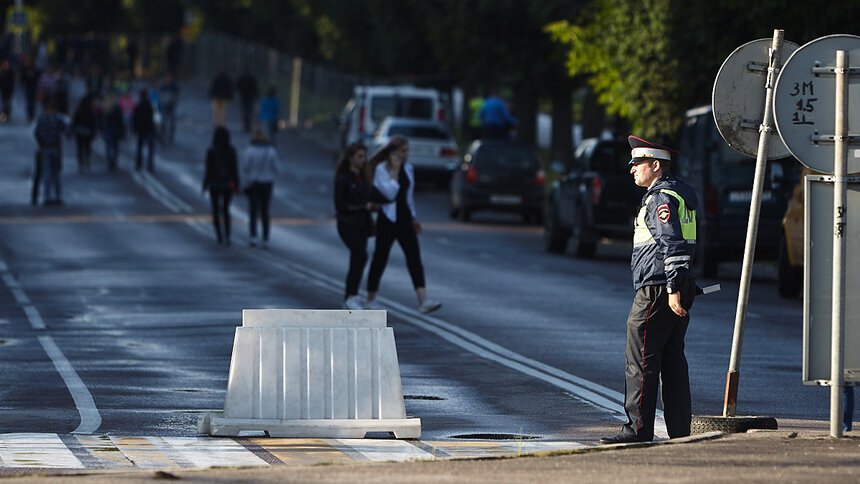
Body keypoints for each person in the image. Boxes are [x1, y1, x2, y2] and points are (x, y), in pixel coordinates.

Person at [600, 135, 699, 444]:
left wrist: (670, 288)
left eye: (637, 164)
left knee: (641, 360)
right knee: (672, 360)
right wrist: (679, 285)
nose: (632, 170)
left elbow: (671, 242)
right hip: (678, 284)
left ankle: (637, 431)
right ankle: (680, 432)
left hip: (657, 289)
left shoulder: (659, 198)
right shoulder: (682, 193)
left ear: (655, 165)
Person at [363, 135, 441, 314]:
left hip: (405, 218)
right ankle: (370, 298)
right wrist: (395, 172)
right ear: (393, 152)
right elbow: (389, 194)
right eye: (402, 151)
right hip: (388, 218)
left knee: (414, 257)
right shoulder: (382, 169)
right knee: (380, 258)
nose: (406, 155)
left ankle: (423, 299)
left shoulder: (409, 169)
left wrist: (413, 218)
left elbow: (408, 196)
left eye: (407, 151)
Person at [334, 143, 378, 310]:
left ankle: (353, 295)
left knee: (360, 257)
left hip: (362, 224)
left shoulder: (364, 178)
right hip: (347, 223)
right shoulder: (344, 178)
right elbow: (340, 205)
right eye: (360, 156)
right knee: (359, 253)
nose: (363, 160)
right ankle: (350, 295)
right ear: (351, 158)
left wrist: (373, 209)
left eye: (364, 156)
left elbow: (369, 197)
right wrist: (363, 207)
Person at [240, 127, 279, 248]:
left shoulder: (249, 151)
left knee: (253, 211)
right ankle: (265, 238)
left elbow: (245, 167)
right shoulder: (271, 151)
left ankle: (253, 237)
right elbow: (277, 168)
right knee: (265, 211)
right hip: (267, 183)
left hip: (254, 183)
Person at [202, 126, 240, 246]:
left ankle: (219, 235)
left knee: (215, 209)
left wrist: (205, 184)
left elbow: (208, 169)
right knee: (225, 209)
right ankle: (227, 235)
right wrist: (237, 184)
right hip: (228, 183)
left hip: (214, 183)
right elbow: (235, 169)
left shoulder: (211, 151)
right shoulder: (231, 151)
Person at [34, 96, 68, 206]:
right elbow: (68, 131)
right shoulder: (58, 118)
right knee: (56, 173)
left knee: (47, 173)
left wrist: (41, 142)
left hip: (45, 148)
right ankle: (58, 196)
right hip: (56, 147)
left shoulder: (42, 118)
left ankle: (47, 196)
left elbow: (37, 132)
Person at [131, 88, 156, 172]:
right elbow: (155, 117)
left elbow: (134, 119)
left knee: (140, 148)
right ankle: (150, 165)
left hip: (141, 130)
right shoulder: (150, 105)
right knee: (150, 149)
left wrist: (134, 130)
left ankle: (138, 165)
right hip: (150, 129)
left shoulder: (138, 106)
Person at [71, 93, 97, 173]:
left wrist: (72, 130)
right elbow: (93, 123)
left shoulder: (79, 111)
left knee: (80, 148)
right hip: (87, 132)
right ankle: (87, 160)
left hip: (79, 132)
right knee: (87, 147)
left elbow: (74, 121)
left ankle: (80, 163)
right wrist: (93, 132)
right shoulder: (90, 111)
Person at [103, 94, 125, 172]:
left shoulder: (106, 109)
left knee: (109, 147)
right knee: (115, 147)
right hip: (115, 129)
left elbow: (103, 120)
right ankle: (114, 161)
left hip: (109, 129)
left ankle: (110, 161)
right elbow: (120, 120)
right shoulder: (117, 109)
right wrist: (122, 130)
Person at [158, 74, 180, 144]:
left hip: (171, 106)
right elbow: (160, 95)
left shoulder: (174, 87)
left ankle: (170, 137)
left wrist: (175, 102)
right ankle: (162, 136)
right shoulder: (163, 86)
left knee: (172, 123)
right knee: (163, 122)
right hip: (164, 106)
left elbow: (177, 95)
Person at [236, 68, 259, 133]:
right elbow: (255, 87)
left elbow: (238, 86)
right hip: (250, 97)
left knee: (244, 111)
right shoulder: (252, 78)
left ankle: (246, 126)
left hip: (244, 96)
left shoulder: (241, 78)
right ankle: (248, 126)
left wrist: (240, 92)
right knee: (250, 112)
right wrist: (256, 95)